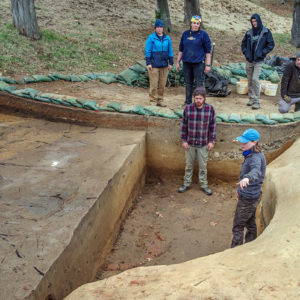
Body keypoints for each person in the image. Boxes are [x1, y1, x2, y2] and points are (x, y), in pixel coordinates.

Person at [231, 128, 266, 248]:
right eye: (241, 141)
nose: (242, 144)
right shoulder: (252, 153)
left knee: (238, 225)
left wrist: (247, 178)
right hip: (251, 194)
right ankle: (250, 245)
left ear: (254, 142)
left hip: (248, 197)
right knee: (250, 221)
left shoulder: (255, 157)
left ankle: (235, 251)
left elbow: (255, 171)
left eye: (245, 142)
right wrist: (239, 190)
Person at [178, 87, 216, 196]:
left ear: (204, 98)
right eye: (196, 98)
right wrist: (184, 140)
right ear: (193, 98)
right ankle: (186, 183)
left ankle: (204, 185)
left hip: (203, 143)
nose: (198, 100)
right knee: (188, 165)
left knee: (203, 166)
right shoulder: (188, 109)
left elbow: (213, 126)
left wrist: (212, 141)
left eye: (200, 98)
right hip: (190, 143)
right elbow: (184, 126)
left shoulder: (210, 109)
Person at [176, 15, 211, 106]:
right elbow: (181, 49)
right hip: (186, 63)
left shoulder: (204, 35)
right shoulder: (185, 34)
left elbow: (208, 52)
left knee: (199, 84)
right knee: (188, 83)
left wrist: (207, 65)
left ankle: (201, 103)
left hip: (198, 63)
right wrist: (178, 62)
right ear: (190, 23)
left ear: (199, 24)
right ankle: (188, 102)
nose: (195, 25)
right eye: (194, 23)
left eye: (198, 23)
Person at [241, 14, 274, 110]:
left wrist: (262, 53)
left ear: (259, 21)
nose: (254, 23)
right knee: (250, 80)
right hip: (249, 60)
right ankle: (251, 98)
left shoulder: (266, 32)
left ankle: (257, 101)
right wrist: (245, 53)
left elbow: (271, 44)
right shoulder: (249, 33)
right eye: (252, 22)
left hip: (259, 60)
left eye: (256, 21)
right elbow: (243, 44)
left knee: (255, 79)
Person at [145, 19, 173, 107]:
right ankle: (152, 101)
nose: (160, 29)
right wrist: (148, 63)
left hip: (164, 65)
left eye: (161, 27)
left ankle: (160, 100)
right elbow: (148, 51)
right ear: (155, 28)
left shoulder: (167, 38)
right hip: (153, 65)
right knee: (154, 83)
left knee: (162, 84)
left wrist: (171, 63)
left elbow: (170, 51)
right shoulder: (151, 38)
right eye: (158, 27)